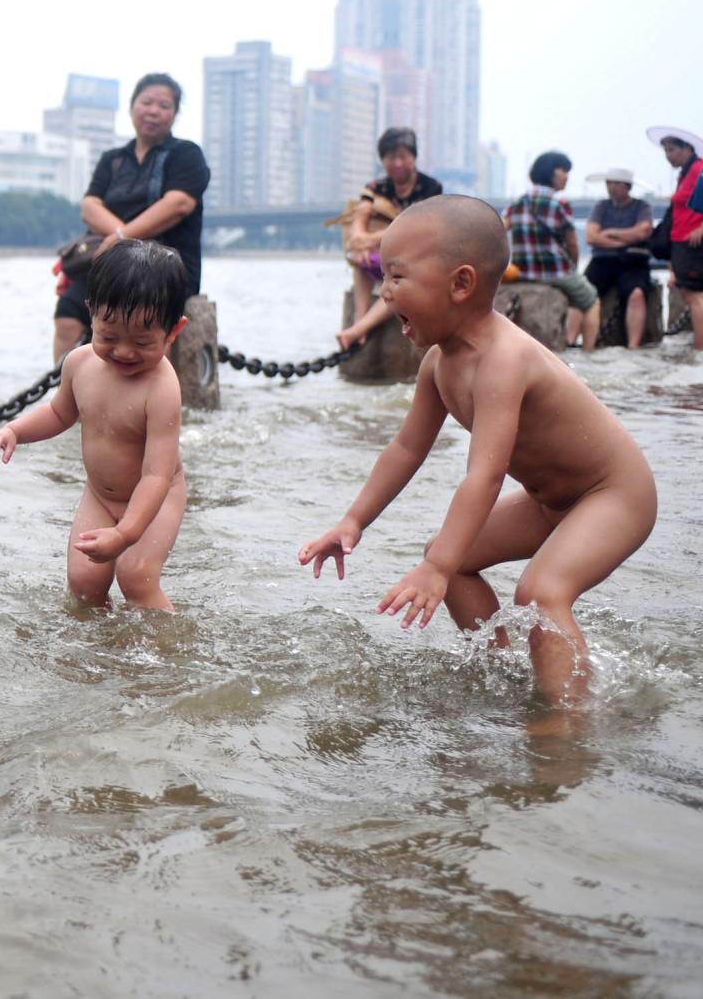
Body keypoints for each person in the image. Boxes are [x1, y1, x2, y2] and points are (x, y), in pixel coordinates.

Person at [298, 196, 657, 708]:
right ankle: (502, 671)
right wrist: (354, 521)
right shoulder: (438, 364)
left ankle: (565, 721)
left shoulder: (504, 361)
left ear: (461, 283)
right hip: (549, 500)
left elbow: (484, 477)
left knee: (539, 591)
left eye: (397, 276)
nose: (383, 290)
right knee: (453, 559)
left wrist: (437, 569)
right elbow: (405, 449)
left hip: (614, 495)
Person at [0, 239, 189, 612]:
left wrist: (125, 533)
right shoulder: (79, 363)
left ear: (173, 331)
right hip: (100, 495)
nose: (123, 351)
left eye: (142, 342)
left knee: (136, 577)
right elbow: (59, 413)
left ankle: (166, 645)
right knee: (84, 584)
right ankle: (102, 645)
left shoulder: (162, 388)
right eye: (109, 336)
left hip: (157, 497)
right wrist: (14, 431)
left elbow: (157, 475)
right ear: (92, 313)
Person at [54, 75, 209, 363]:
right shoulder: (113, 159)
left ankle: (152, 389)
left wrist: (122, 238)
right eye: (146, 102)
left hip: (166, 264)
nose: (153, 111)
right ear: (132, 106)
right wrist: (120, 240)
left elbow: (178, 203)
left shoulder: (186, 154)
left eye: (164, 105)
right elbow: (89, 206)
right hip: (110, 263)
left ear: (174, 114)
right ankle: (69, 386)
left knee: (148, 324)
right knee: (68, 314)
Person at [336, 126, 443, 349]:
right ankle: (359, 319)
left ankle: (359, 330)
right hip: (383, 255)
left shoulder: (431, 187)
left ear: (413, 156)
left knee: (398, 282)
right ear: (383, 160)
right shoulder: (376, 187)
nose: (397, 163)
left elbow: (417, 226)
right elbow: (361, 214)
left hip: (415, 258)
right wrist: (359, 240)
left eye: (403, 156)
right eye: (391, 158)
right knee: (360, 260)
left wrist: (370, 239)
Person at [504, 151, 601, 350]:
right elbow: (572, 243)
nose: (566, 176)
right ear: (550, 172)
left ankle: (571, 339)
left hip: (522, 272)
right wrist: (573, 267)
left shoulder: (518, 202)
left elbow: (498, 229)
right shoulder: (559, 203)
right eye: (563, 171)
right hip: (556, 272)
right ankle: (589, 351)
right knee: (591, 301)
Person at [582, 167, 655, 349]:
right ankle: (577, 342)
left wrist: (610, 233)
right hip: (602, 261)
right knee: (583, 294)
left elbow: (643, 231)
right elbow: (591, 236)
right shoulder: (601, 206)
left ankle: (633, 345)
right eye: (609, 183)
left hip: (633, 262)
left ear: (627, 186)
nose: (611, 187)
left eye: (616, 184)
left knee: (637, 294)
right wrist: (624, 241)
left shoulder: (642, 207)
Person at [651, 125, 703, 347]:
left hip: (692, 241)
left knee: (695, 296)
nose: (668, 155)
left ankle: (700, 348)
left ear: (687, 149)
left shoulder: (698, 168)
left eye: (672, 149)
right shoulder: (685, 173)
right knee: (690, 294)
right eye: (666, 150)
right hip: (682, 239)